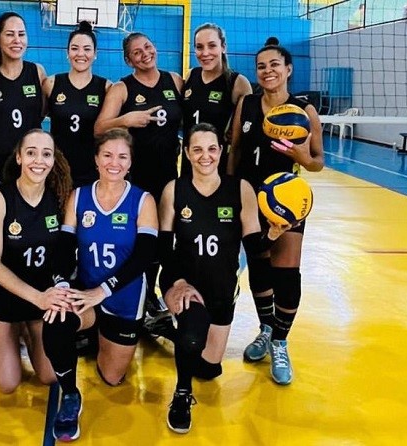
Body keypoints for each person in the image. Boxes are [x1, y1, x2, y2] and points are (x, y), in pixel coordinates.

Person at [159, 123, 286, 433]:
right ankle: (182, 395)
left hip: (221, 287)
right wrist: (177, 282)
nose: (205, 156)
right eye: (197, 149)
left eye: (212, 149)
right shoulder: (174, 189)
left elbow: (253, 247)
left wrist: (273, 233)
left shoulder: (240, 189)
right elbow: (163, 248)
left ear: (221, 151)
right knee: (192, 336)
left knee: (208, 367)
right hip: (184, 283)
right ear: (187, 153)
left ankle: (166, 329)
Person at [42, 128, 159, 441]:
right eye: (107, 155)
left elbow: (144, 257)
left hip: (124, 300)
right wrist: (61, 284)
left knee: (111, 376)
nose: (114, 163)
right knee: (56, 322)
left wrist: (103, 291)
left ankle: (105, 337)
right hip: (86, 295)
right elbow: (64, 246)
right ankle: (70, 395)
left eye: (122, 157)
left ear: (130, 162)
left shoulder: (143, 200)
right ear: (96, 159)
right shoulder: (80, 196)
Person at [228, 37, 324, 385]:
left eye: (274, 65)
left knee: (286, 274)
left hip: (286, 202)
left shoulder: (304, 111)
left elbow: (318, 162)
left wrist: (301, 157)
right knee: (259, 269)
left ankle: (281, 341)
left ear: (288, 69)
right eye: (261, 66)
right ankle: (266, 329)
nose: (267, 71)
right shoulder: (247, 103)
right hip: (249, 199)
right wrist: (229, 192)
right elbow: (235, 150)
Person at [94, 32, 182, 330]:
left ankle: (156, 294)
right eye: (136, 52)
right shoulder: (122, 88)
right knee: (140, 239)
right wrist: (126, 120)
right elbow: (99, 128)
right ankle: (137, 292)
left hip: (169, 177)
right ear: (128, 59)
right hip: (136, 179)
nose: (144, 53)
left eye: (147, 46)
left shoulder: (174, 81)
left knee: (165, 239)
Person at [0, 129, 73, 394]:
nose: (39, 161)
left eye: (46, 154)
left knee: (50, 375)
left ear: (53, 160)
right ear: (19, 157)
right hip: (6, 296)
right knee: (7, 384)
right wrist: (37, 298)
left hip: (43, 297)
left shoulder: (60, 197)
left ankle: (26, 331)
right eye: (31, 153)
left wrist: (53, 294)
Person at [0, 11, 47, 175]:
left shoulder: (37, 72)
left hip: (34, 166)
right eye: (10, 34)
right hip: (0, 168)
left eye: (21, 34)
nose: (17, 40)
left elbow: (41, 113)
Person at [43, 21, 111, 188]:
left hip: (92, 170)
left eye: (87, 49)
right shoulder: (51, 83)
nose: (81, 54)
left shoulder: (106, 87)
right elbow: (35, 119)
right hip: (57, 169)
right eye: (74, 48)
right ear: (67, 53)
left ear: (95, 53)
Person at [181, 23, 252, 177]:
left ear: (223, 47)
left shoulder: (238, 83)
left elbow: (247, 131)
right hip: (190, 164)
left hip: (219, 167)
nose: (205, 53)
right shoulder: (191, 75)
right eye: (199, 47)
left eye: (212, 46)